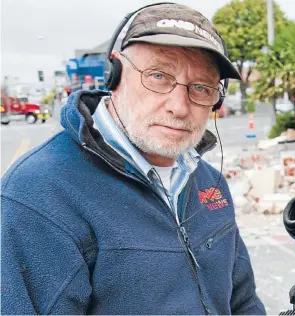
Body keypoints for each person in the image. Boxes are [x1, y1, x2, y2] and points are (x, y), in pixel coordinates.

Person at [1, 3, 266, 315]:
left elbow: (243, 300)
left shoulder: (209, 182)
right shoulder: (37, 195)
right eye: (158, 75)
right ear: (114, 73)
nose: (179, 107)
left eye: (201, 87)